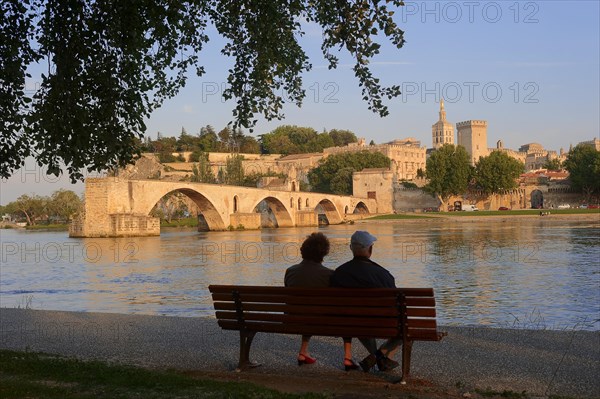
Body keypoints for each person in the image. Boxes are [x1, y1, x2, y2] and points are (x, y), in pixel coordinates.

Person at [284, 232, 359, 371]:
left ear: (303, 251)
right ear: (324, 253)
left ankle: (303, 352)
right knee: (345, 313)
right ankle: (348, 357)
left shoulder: (290, 271)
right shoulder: (329, 274)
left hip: (293, 319)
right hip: (322, 321)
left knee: (306, 308)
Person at [330, 230, 402, 372]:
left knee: (357, 319)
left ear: (351, 248)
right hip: (379, 323)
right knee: (405, 328)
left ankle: (376, 357)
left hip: (349, 323)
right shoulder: (383, 275)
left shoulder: (338, 273)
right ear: (370, 249)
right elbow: (395, 305)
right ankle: (380, 357)